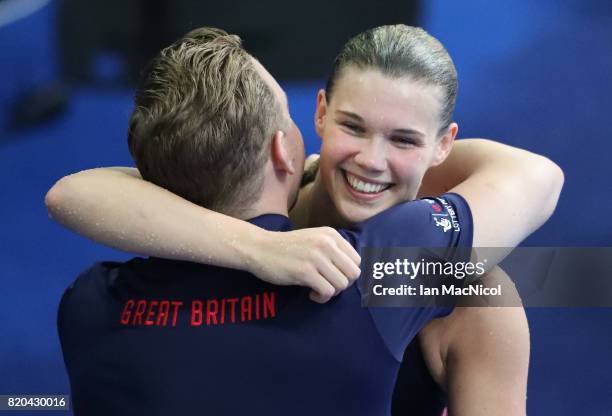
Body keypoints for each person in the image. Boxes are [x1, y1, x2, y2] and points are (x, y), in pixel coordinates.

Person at [47, 25, 563, 415]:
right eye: (352, 127)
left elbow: (74, 191)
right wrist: (257, 246)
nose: (371, 160)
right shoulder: (393, 267)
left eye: (404, 139)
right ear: (318, 115)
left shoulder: (470, 297)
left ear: (442, 145)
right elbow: (533, 181)